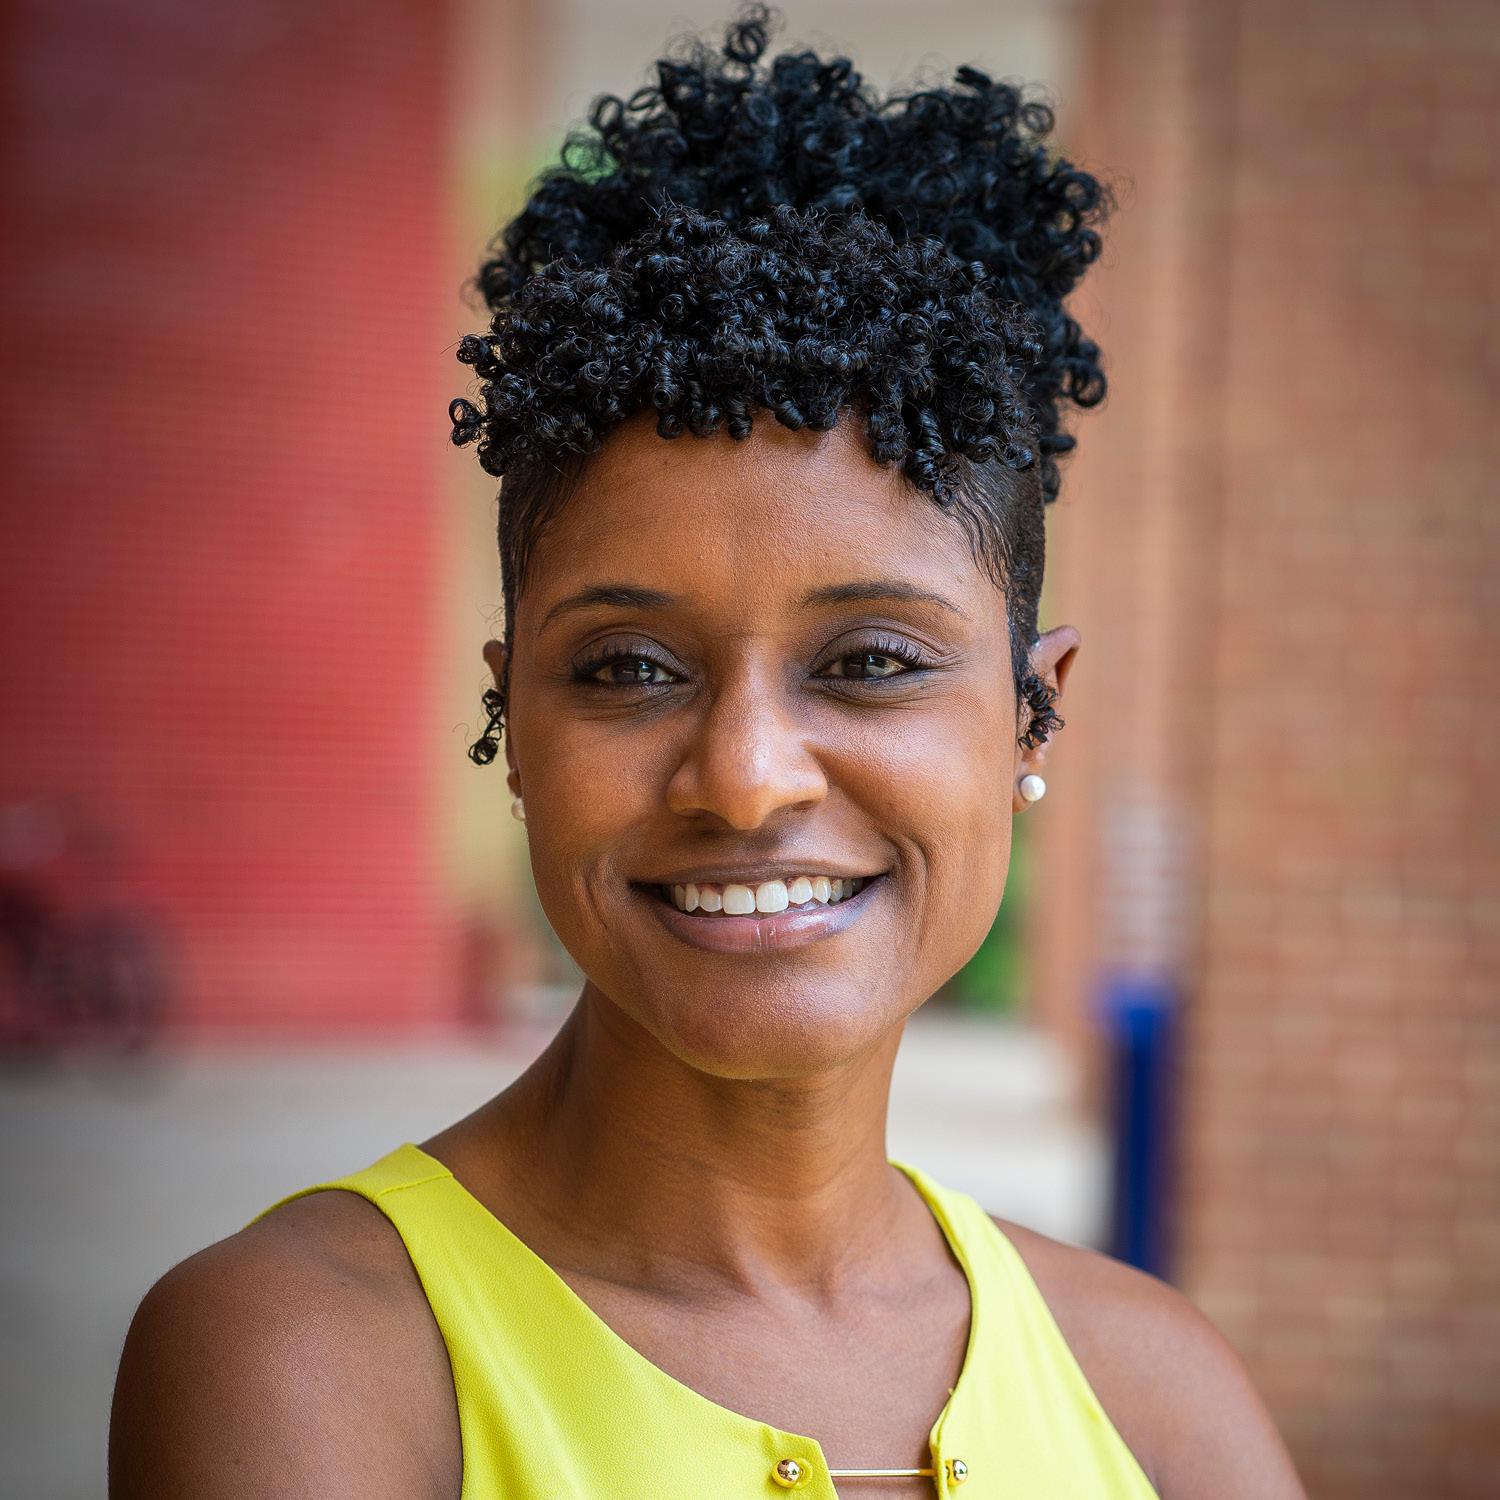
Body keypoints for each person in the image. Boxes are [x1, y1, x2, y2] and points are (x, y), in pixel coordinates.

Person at [108, 8, 1306, 1497]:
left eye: (870, 663)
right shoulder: (317, 1362)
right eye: (627, 669)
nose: (746, 778)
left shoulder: (1155, 1399)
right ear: (516, 722)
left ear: (1033, 713)